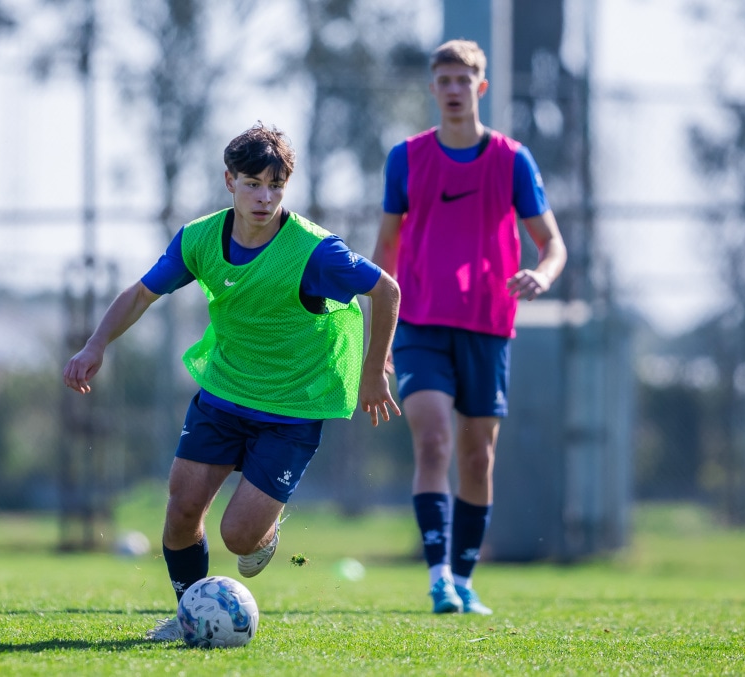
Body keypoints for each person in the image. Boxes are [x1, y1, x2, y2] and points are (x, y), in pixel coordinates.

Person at [63, 122, 402, 640]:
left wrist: (375, 370)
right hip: (224, 395)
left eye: (275, 186)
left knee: (238, 537)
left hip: (293, 408)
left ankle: (263, 530)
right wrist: (95, 345)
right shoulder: (200, 238)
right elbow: (140, 294)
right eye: (252, 184)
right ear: (229, 181)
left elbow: (387, 290)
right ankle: (187, 615)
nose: (264, 198)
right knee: (180, 513)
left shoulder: (314, 250)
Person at [371, 39, 567, 615]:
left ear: (481, 88)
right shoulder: (405, 158)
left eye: (464, 80)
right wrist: (377, 334)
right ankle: (438, 580)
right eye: (445, 81)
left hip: (487, 323)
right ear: (433, 89)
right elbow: (386, 245)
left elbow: (551, 243)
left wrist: (543, 275)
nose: (454, 90)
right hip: (420, 322)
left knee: (478, 455)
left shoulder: (511, 159)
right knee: (433, 440)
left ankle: (463, 576)